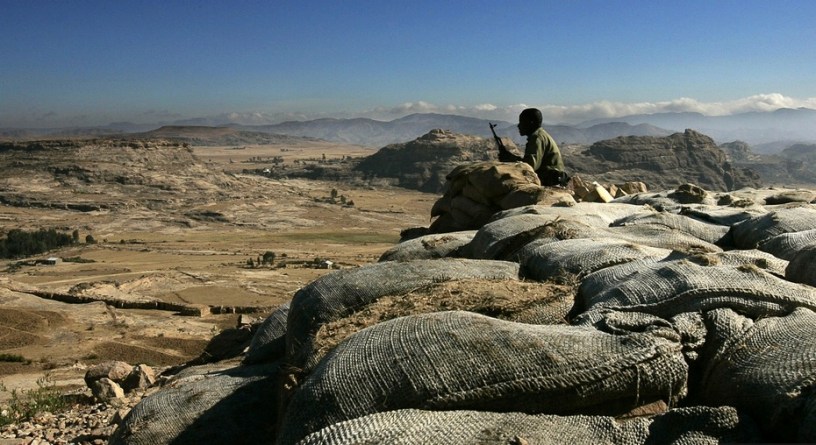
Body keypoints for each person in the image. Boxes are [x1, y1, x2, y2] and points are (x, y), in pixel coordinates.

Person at [498, 108, 567, 187]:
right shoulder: (540, 135)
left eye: (522, 122)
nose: (519, 125)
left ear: (530, 123)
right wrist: (511, 157)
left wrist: (510, 159)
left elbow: (529, 166)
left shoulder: (536, 138)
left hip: (550, 179)